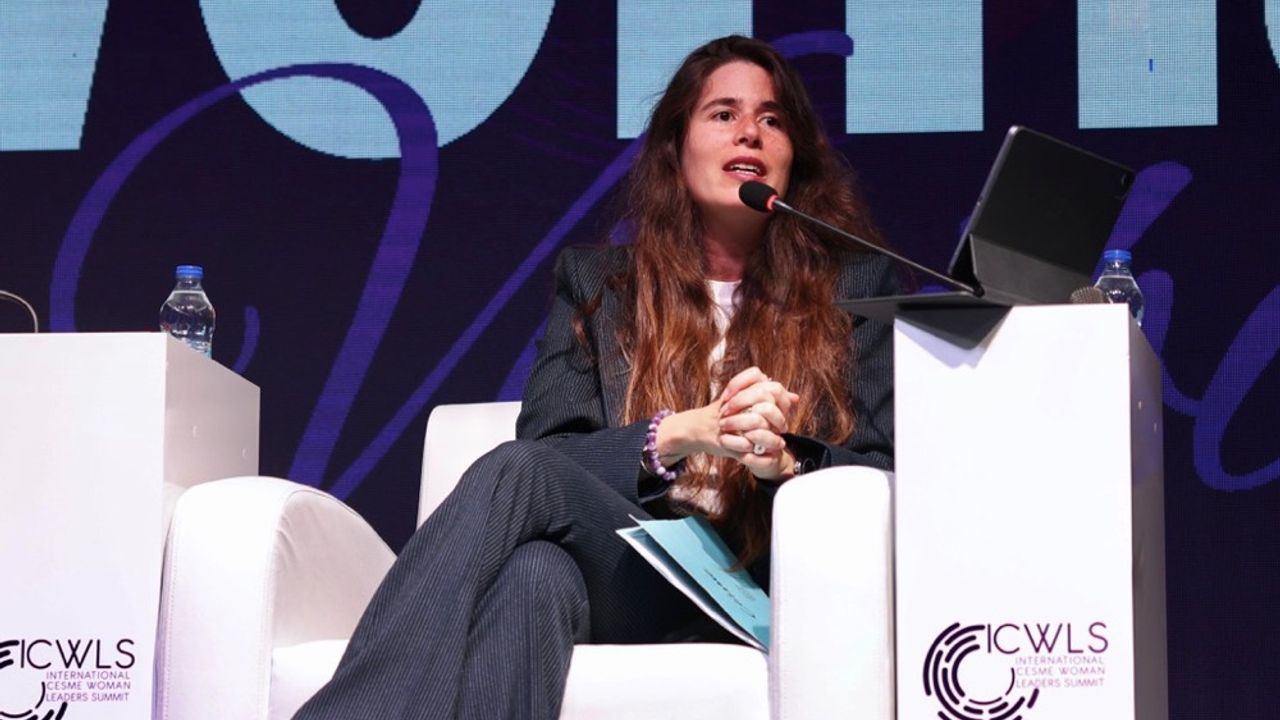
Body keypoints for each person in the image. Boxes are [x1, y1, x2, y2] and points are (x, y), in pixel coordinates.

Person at [294, 34, 897, 720]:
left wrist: (781, 461)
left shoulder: (855, 288)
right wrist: (676, 435)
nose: (750, 133)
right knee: (535, 569)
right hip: (636, 572)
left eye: (772, 119)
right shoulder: (600, 285)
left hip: (759, 585)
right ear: (676, 146)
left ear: (794, 156)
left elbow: (882, 471)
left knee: (526, 532)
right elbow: (551, 451)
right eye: (723, 113)